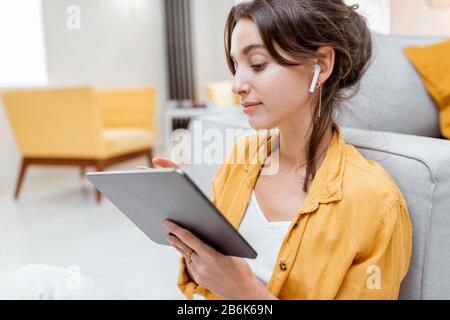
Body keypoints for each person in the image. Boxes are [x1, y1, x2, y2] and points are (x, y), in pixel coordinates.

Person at [156, 0, 412, 300]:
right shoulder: (242, 156)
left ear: (321, 65)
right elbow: (198, 290)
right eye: (236, 66)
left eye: (257, 64)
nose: (237, 84)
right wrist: (188, 224)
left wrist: (244, 291)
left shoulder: (375, 202)